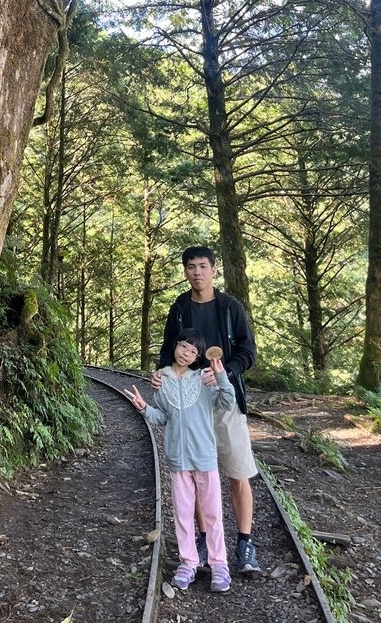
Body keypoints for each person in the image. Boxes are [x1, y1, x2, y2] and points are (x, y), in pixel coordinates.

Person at [152, 245, 261, 573]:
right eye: (190, 266)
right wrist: (160, 375)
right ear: (185, 271)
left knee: (238, 472)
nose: (197, 272)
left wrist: (225, 374)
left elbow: (248, 351)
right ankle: (203, 539)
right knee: (197, 473)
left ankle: (245, 543)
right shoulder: (181, 307)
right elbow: (167, 350)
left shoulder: (230, 307)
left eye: (202, 266)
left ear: (213, 270)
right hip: (189, 405)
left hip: (225, 401)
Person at [125, 328, 234, 594]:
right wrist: (143, 407)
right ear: (176, 345)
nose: (187, 354)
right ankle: (188, 563)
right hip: (177, 460)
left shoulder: (204, 379)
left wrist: (220, 375)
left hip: (204, 457)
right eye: (184, 347)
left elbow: (228, 401)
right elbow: (163, 418)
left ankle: (219, 564)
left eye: (194, 351)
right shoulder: (161, 380)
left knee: (212, 514)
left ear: (198, 357)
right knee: (183, 515)